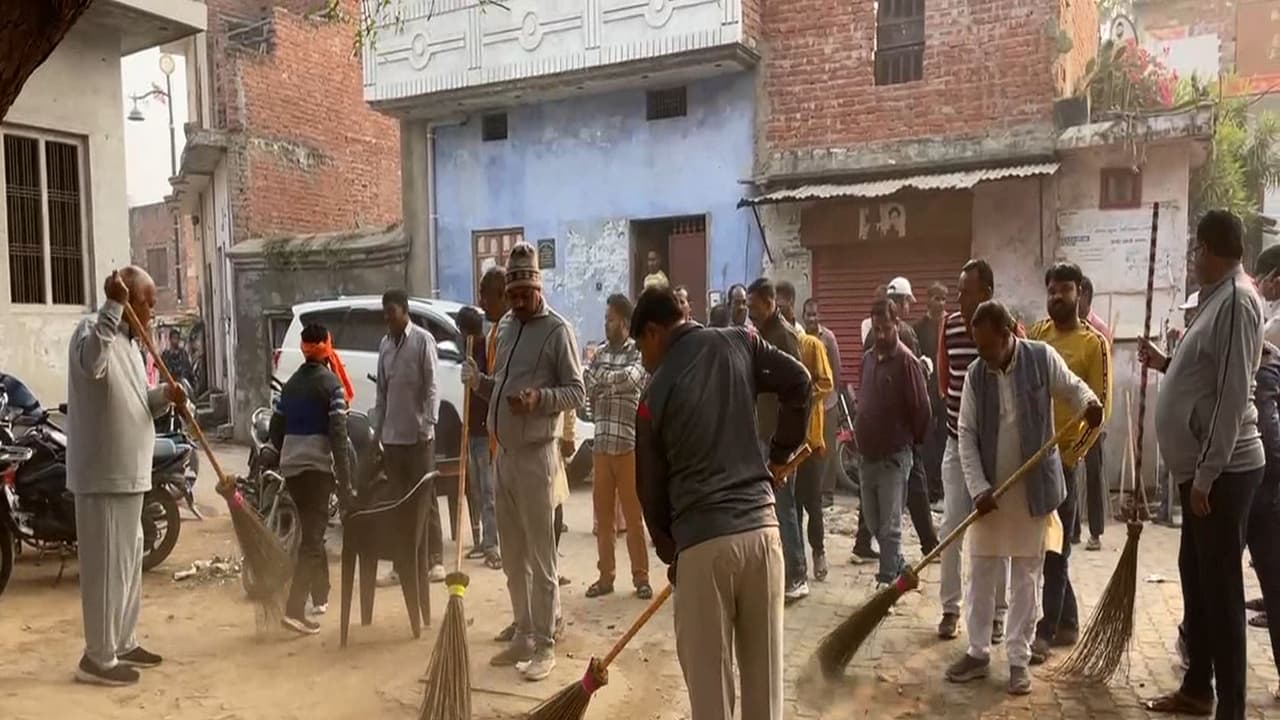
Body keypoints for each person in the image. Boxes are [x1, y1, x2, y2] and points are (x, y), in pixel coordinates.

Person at [632, 284, 809, 720]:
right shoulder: (741, 341)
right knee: (765, 693)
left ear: (654, 332)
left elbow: (650, 493)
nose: (643, 359)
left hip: (703, 547)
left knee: (711, 699)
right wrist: (780, 453)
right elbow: (799, 382)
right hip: (763, 538)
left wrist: (673, 552)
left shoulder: (652, 398)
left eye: (641, 347)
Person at [1141, 210, 1264, 720]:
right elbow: (1207, 376)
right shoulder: (1216, 302)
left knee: (1221, 593)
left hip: (1224, 473)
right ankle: (1197, 688)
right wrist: (1166, 366)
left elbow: (1233, 396)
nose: (1192, 258)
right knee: (1196, 578)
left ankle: (1229, 706)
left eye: (1195, 249)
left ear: (1211, 251)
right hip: (1204, 472)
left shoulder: (1237, 302)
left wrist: (1207, 475)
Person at [945, 300, 1102, 696]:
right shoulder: (977, 374)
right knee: (980, 572)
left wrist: (1089, 404)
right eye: (978, 348)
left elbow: (1072, 387)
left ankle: (1018, 658)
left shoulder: (1041, 357)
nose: (983, 355)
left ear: (1008, 334)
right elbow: (965, 434)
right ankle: (979, 652)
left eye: (988, 346)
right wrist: (978, 487)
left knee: (1026, 578)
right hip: (990, 495)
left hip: (1033, 491)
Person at [463, 242, 584, 682]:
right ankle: (523, 635)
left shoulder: (557, 331)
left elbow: (577, 390)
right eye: (511, 295)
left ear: (538, 287)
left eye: (523, 295)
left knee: (540, 557)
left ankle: (546, 643)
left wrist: (539, 399)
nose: (515, 303)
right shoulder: (508, 328)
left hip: (538, 457)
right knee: (513, 558)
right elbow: (501, 384)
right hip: (504, 457)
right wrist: (480, 383)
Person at [66, 266, 181, 686]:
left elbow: (136, 405)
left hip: (131, 474)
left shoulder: (133, 347)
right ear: (125, 299)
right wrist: (112, 306)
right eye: (147, 300)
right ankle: (96, 657)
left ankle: (123, 640)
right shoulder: (91, 332)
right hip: (103, 475)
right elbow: (92, 367)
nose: (152, 309)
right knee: (106, 569)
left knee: (129, 563)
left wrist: (165, 397)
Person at [1026, 263, 1112, 665]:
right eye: (1052, 291)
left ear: (1080, 293)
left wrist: (1072, 454)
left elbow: (1101, 410)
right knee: (1041, 549)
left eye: (1064, 290)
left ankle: (1045, 632)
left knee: (1056, 550)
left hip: (1065, 463)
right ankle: (1068, 622)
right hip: (1032, 461)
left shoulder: (1094, 344)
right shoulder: (1038, 334)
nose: (1056, 297)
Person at [936, 259, 1015, 642]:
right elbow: (943, 378)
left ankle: (998, 615)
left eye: (965, 291)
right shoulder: (949, 326)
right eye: (959, 290)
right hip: (955, 443)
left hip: (995, 453)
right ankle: (950, 608)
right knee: (951, 526)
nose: (959, 298)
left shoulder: (1006, 327)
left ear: (986, 292)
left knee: (996, 532)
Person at [268, 323, 355, 635]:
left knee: (311, 532)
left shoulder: (290, 385)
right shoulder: (332, 386)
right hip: (317, 471)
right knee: (313, 539)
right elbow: (339, 437)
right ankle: (294, 610)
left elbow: (275, 430)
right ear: (327, 347)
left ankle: (320, 595)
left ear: (305, 349)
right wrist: (345, 483)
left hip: (291, 470)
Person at [854, 297, 931, 588]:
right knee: (873, 523)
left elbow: (922, 409)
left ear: (897, 324)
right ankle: (899, 566)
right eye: (877, 329)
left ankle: (886, 583)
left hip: (894, 457)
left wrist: (909, 444)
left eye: (887, 328)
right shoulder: (867, 360)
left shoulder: (907, 362)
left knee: (890, 526)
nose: (882, 334)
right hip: (867, 456)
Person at [371, 289, 444, 582]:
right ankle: (402, 565)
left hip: (419, 437)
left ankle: (434, 560)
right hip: (392, 438)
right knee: (397, 501)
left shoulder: (423, 341)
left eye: (392, 311)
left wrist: (428, 424)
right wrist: (378, 431)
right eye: (385, 312)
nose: (387, 317)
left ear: (404, 310)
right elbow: (382, 393)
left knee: (426, 497)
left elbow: (433, 387)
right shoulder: (385, 346)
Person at [746, 278, 810, 602]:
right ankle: (779, 570)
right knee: (770, 505)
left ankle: (797, 575)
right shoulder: (761, 335)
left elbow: (799, 389)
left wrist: (789, 443)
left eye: (754, 305)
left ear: (770, 302)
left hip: (780, 438)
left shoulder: (784, 337)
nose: (749, 311)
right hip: (763, 432)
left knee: (784, 506)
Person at [583, 294, 651, 599]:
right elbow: (588, 384)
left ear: (623, 322)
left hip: (628, 446)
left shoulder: (638, 353)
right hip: (602, 446)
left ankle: (641, 578)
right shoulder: (598, 352)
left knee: (634, 518)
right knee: (604, 518)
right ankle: (606, 577)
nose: (606, 323)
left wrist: (602, 381)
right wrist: (607, 382)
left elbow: (632, 380)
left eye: (610, 319)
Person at [788, 299, 833, 581]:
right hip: (788, 444)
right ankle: (797, 561)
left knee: (812, 503)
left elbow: (827, 382)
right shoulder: (780, 349)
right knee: (791, 506)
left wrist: (804, 397)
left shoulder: (812, 346)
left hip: (810, 441)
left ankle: (818, 551)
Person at [1246, 339, 1280, 701]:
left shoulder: (1262, 373)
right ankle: (1191, 641)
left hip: (1252, 486)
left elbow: (1270, 442)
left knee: (1209, 572)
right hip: (1257, 485)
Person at [457, 306, 499, 566]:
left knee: (487, 489)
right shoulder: (469, 350)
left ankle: (492, 543)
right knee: (477, 488)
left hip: (484, 430)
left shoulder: (483, 349)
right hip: (471, 428)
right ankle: (482, 541)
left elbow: (486, 386)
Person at [1075, 275, 1113, 551]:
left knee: (1092, 471)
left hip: (1093, 413)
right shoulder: (1067, 328)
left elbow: (1103, 377)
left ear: (1085, 294)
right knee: (1067, 469)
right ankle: (1073, 529)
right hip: (1069, 413)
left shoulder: (1100, 331)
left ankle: (1095, 533)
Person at [915, 282, 949, 504]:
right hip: (927, 392)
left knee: (946, 440)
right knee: (927, 441)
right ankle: (930, 489)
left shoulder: (951, 325)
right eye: (936, 298)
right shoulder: (919, 328)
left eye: (943, 299)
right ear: (928, 299)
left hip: (946, 391)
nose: (940, 303)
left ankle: (943, 488)